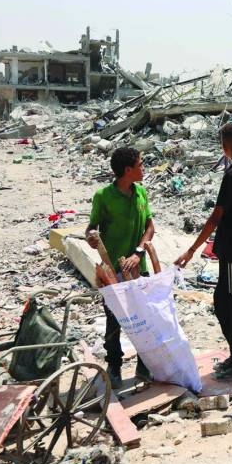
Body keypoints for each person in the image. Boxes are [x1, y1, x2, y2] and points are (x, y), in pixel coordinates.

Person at [175, 123, 232, 381]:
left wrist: (192, 250)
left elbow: (216, 217)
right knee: (225, 301)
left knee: (231, 305)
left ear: (224, 147)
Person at [86, 147, 155, 385]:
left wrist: (138, 252)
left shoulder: (141, 193)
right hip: (113, 272)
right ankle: (114, 366)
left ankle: (144, 366)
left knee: (143, 318)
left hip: (138, 268)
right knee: (114, 321)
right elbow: (91, 228)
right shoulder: (104, 196)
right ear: (128, 170)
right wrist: (92, 237)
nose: (143, 168)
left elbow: (150, 227)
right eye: (140, 164)